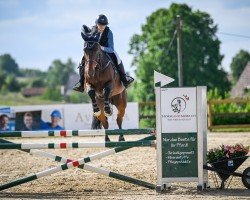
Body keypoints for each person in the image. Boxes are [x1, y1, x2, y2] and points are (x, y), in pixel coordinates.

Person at [73, 14, 134, 92]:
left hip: (106, 50)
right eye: (100, 25)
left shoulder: (109, 32)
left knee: (118, 58)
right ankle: (81, 83)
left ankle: (124, 79)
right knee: (82, 61)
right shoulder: (92, 31)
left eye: (104, 25)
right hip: (93, 52)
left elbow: (111, 49)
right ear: (96, 24)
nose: (102, 27)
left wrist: (101, 48)